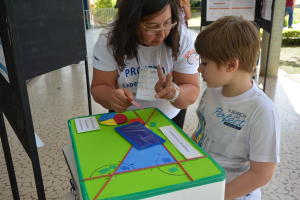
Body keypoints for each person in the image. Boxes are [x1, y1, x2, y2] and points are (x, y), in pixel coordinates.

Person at [191, 16, 280, 200]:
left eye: (205, 62)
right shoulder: (212, 91)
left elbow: (262, 173)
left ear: (231, 65)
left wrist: (218, 196)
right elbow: (201, 132)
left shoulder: (262, 111)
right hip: (204, 184)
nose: (199, 69)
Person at [91, 0, 200, 129]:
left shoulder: (181, 36)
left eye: (167, 23)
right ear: (132, 22)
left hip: (168, 117)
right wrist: (111, 97)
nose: (162, 34)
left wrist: (175, 93)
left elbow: (192, 88)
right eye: (152, 26)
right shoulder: (109, 38)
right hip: (125, 117)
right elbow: (100, 86)